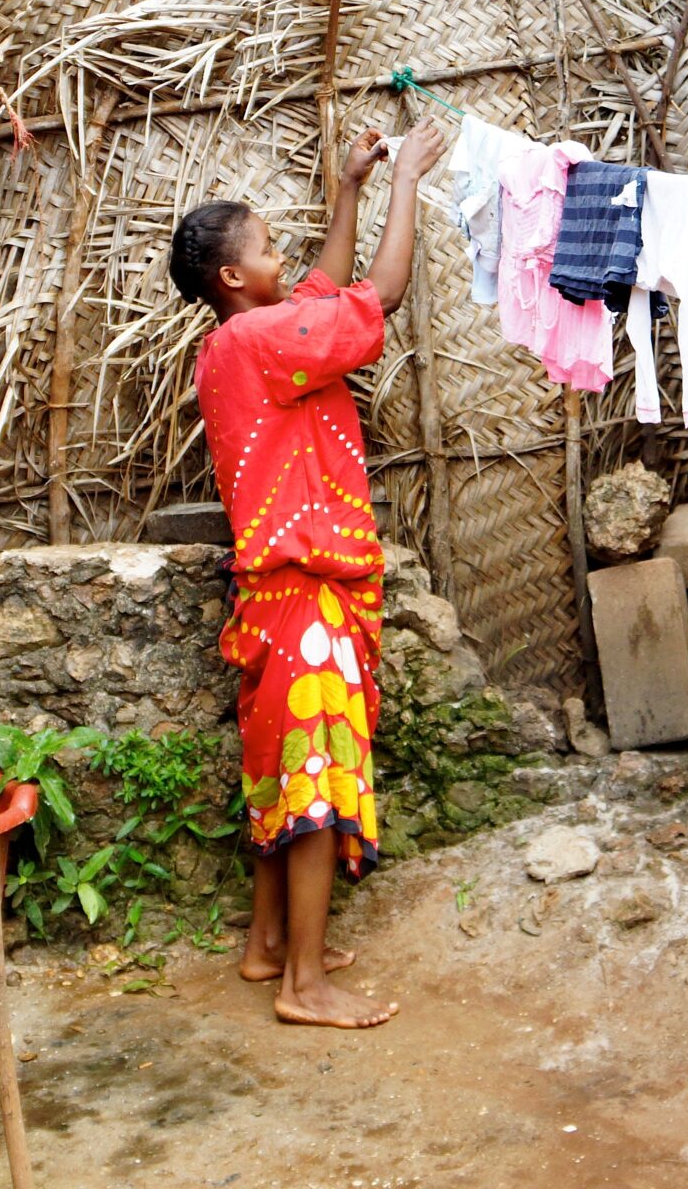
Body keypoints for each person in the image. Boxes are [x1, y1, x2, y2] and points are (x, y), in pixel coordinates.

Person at [171, 118, 448, 1028]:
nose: (281, 255)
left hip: (272, 601)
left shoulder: (237, 344)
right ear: (231, 279)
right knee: (317, 782)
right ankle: (304, 987)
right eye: (265, 247)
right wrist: (405, 179)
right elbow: (379, 294)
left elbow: (325, 288)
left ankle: (268, 948)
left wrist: (351, 188)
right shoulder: (263, 342)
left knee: (280, 775)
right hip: (306, 599)